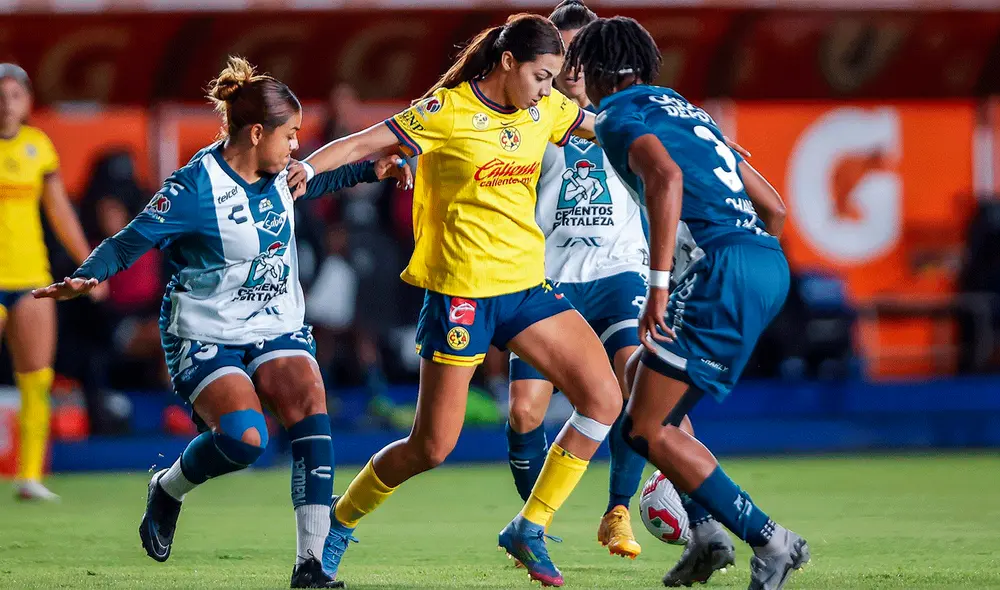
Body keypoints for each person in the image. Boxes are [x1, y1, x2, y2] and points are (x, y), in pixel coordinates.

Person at [33, 56, 411, 589]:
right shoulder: (194, 187)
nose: (297, 147)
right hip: (206, 332)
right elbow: (131, 240)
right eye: (291, 135)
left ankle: (311, 566)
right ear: (257, 133)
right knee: (245, 440)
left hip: (276, 324)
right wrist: (85, 277)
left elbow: (320, 184)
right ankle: (168, 488)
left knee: (309, 402)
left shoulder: (283, 172)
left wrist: (374, 168)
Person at [294, 13, 623, 587]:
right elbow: (363, 142)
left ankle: (530, 525)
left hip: (524, 287)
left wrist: (684, 132)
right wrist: (305, 166)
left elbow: (608, 127)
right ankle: (339, 522)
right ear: (507, 63)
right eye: (541, 77)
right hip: (460, 296)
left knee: (603, 398)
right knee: (431, 446)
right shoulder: (445, 111)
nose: (549, 91)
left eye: (554, 81)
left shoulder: (545, 110)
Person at [566, 17, 810, 590]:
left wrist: (659, 285)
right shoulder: (686, 110)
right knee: (642, 393)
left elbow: (665, 177)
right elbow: (772, 207)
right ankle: (706, 534)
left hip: (716, 270)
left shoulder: (619, 116)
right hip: (763, 262)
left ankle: (770, 540)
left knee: (644, 428)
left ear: (598, 72)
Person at [0, 63, 92, 501]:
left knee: (36, 378)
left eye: (14, 95)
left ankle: (29, 476)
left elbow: (60, 212)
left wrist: (89, 262)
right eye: (0, 95)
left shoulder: (39, 148)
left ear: (27, 102)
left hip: (31, 278)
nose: (5, 103)